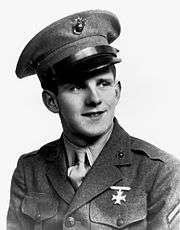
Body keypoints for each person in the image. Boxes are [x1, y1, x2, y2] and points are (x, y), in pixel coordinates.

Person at [7, 9, 180, 230]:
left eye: (103, 83)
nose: (95, 99)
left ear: (117, 92)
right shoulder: (30, 169)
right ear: (51, 101)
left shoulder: (160, 173)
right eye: (77, 87)